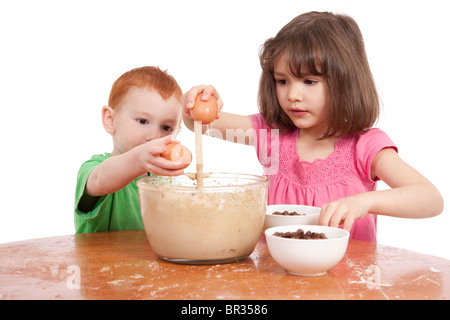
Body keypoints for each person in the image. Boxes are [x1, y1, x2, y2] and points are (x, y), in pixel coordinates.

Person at [182, 11, 443, 242]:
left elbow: (430, 199)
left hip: (348, 288)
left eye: (309, 81)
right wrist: (200, 102)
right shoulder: (272, 135)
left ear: (345, 82)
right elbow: (201, 125)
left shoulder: (365, 147)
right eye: (282, 81)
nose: (293, 95)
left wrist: (365, 201)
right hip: (277, 283)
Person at [74, 66, 187, 233]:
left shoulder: (164, 183)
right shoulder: (95, 168)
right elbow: (100, 180)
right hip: (102, 260)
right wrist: (139, 159)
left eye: (166, 127)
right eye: (142, 121)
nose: (154, 136)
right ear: (110, 120)